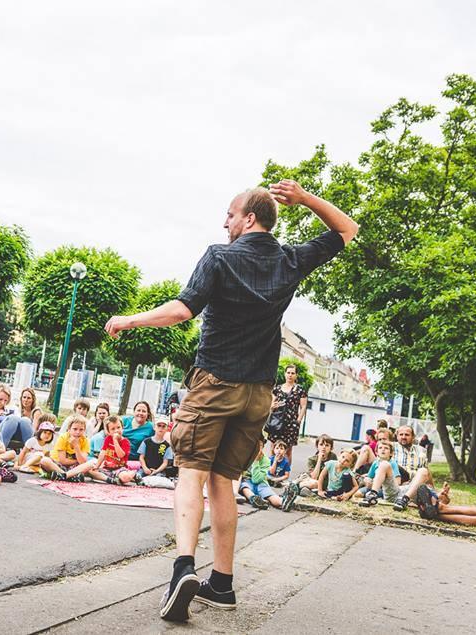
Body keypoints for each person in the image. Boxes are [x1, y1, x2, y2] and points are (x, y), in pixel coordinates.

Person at [105, 180, 357, 621]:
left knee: (191, 474)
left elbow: (183, 309)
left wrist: (129, 319)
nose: (225, 221)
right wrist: (306, 199)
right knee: (225, 482)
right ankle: (221, 582)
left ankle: (183, 566)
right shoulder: (290, 259)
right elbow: (347, 229)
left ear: (249, 218)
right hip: (259, 394)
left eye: (230, 214)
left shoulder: (219, 256)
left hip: (215, 384)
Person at [268, 365, 308, 464]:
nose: (290, 375)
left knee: (287, 451)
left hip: (291, 424)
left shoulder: (300, 390)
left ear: (296, 375)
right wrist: (273, 406)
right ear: (285, 374)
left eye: (292, 373)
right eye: (288, 372)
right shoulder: (277, 388)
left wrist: (298, 421)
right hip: (277, 422)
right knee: (273, 448)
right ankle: (270, 473)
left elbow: (303, 406)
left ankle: (285, 474)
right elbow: (271, 404)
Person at [40, 414, 96, 482]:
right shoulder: (63, 438)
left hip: (74, 468)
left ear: (84, 431)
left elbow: (82, 462)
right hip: (58, 465)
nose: (78, 432)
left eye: (81, 430)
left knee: (92, 463)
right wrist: (77, 461)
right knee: (44, 460)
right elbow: (63, 461)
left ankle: (63, 476)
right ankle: (69, 476)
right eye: (75, 429)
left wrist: (76, 446)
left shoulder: (85, 441)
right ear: (69, 429)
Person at [89, 415, 139, 485]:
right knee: (91, 471)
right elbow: (102, 453)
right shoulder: (108, 439)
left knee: (125, 478)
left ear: (122, 428)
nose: (116, 431)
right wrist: (97, 466)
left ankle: (133, 474)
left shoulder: (125, 442)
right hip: (107, 468)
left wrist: (115, 441)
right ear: (109, 432)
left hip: (119, 468)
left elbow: (121, 455)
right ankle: (110, 480)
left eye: (118, 427)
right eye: (113, 429)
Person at [239, 444, 281, 509]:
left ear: (262, 447)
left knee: (270, 494)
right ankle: (254, 499)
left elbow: (256, 480)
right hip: (247, 482)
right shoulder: (244, 457)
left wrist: (256, 461)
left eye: (259, 446)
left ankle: (283, 502)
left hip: (261, 483)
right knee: (244, 487)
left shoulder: (266, 460)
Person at [137, 417, 176, 486]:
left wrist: (156, 471)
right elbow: (141, 457)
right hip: (144, 469)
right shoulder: (146, 441)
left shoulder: (167, 446)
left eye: (163, 426)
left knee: (159, 479)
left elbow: (165, 463)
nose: (161, 428)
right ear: (154, 427)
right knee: (137, 476)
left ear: (167, 429)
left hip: (159, 471)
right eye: (159, 425)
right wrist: (145, 468)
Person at [0, 384, 33, 449]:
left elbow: (19, 421)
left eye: (5, 400)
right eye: (0, 399)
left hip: (16, 433)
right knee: (13, 418)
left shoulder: (13, 408)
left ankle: (31, 450)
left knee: (25, 420)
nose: (3, 403)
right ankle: (0, 449)